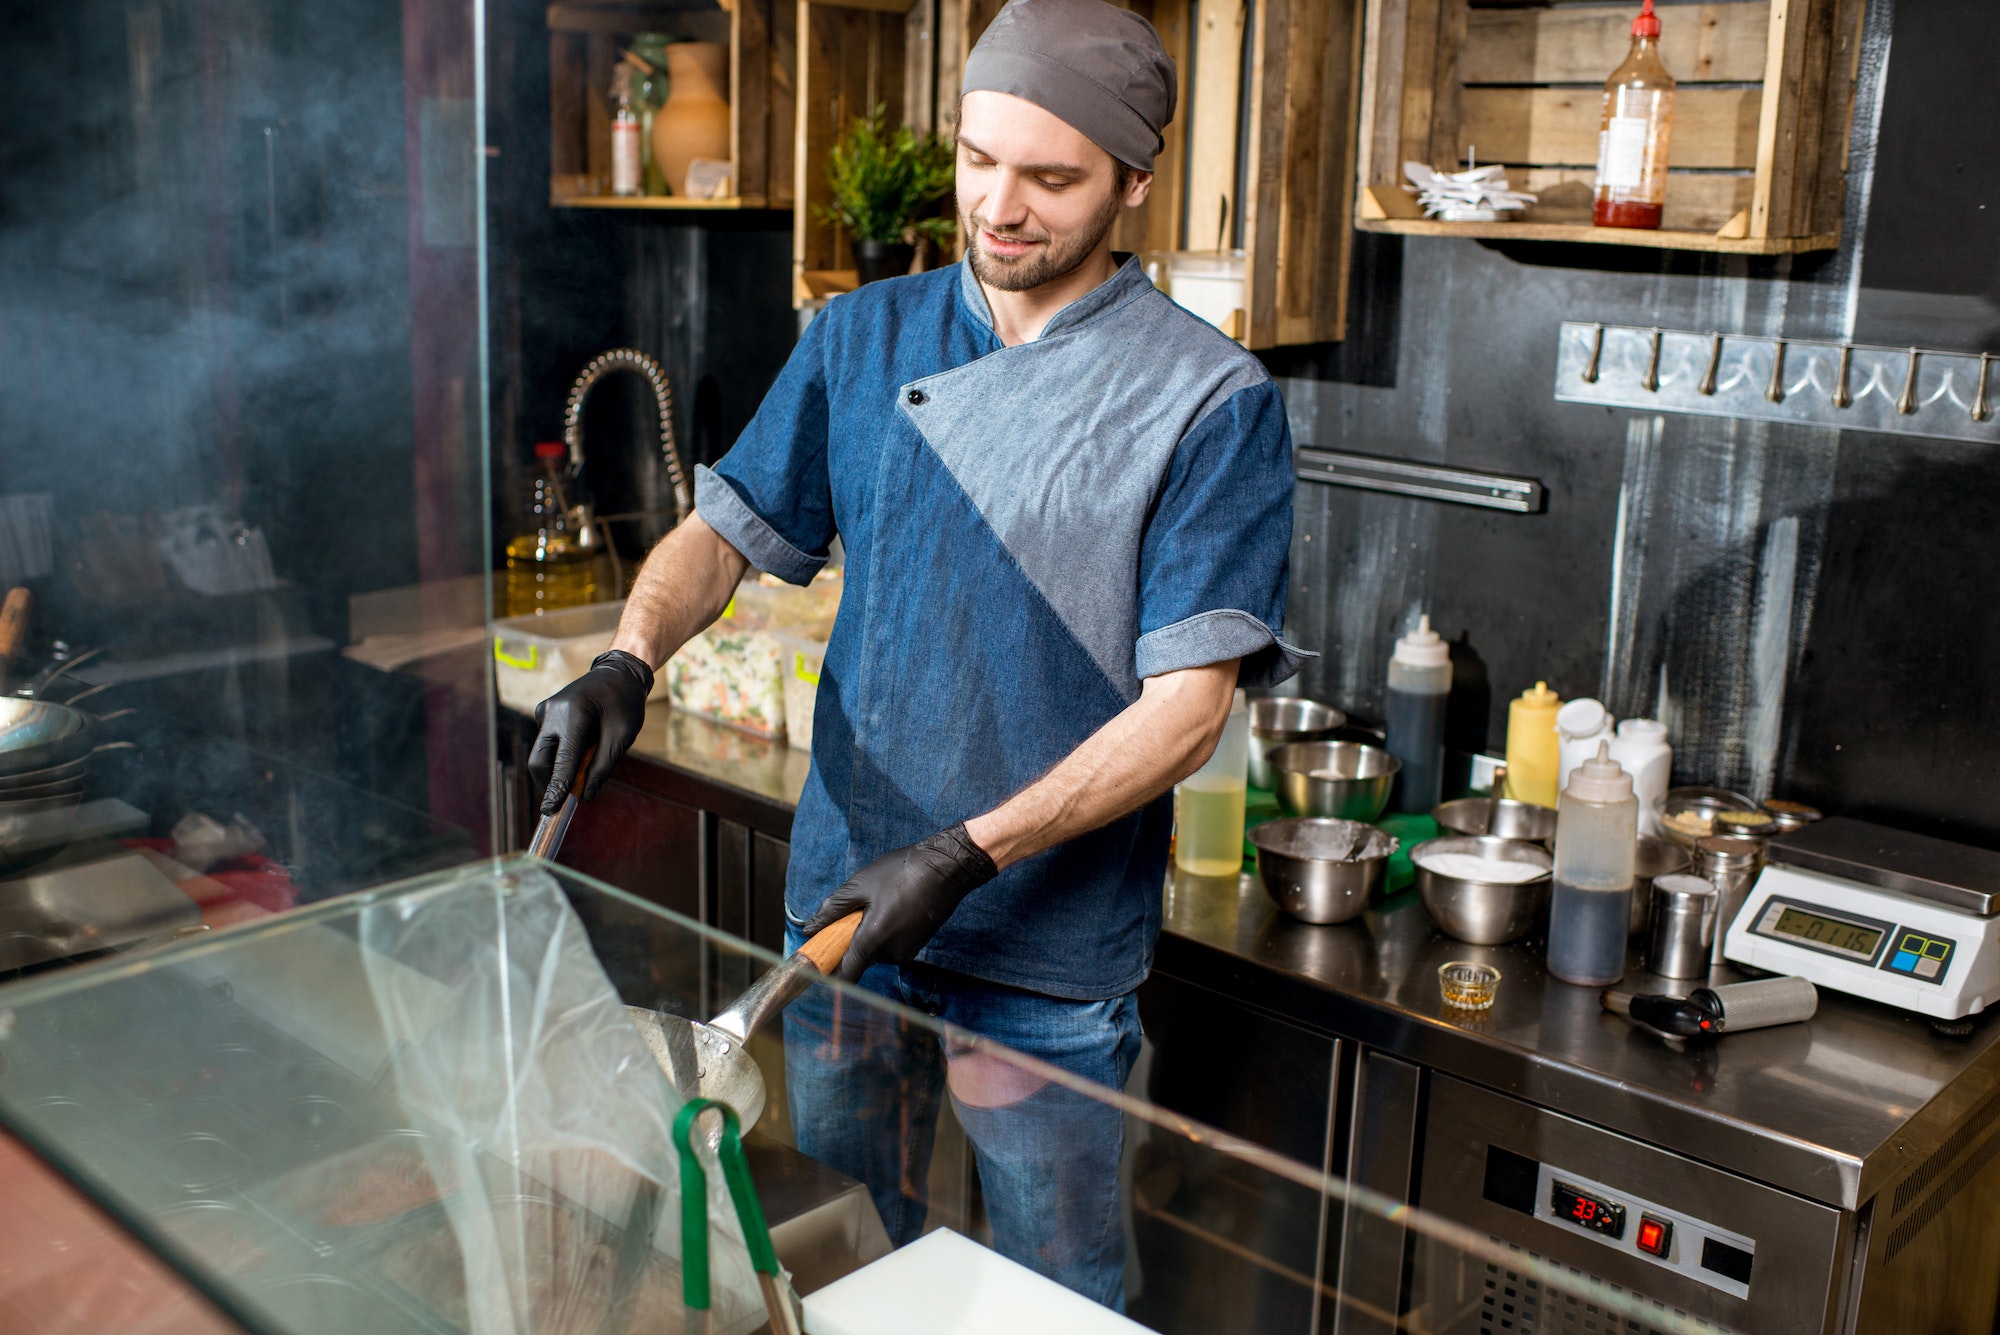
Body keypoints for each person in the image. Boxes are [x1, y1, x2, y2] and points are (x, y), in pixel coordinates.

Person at [528, 0, 1306, 1308]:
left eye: (1052, 179)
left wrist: (967, 852)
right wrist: (630, 657)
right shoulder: (860, 337)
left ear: (1136, 181)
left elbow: (1187, 713)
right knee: (836, 1266)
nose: (999, 206)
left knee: (1053, 1300)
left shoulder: (1208, 402)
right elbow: (722, 535)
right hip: (842, 924)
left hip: (1046, 964)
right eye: (978, 159)